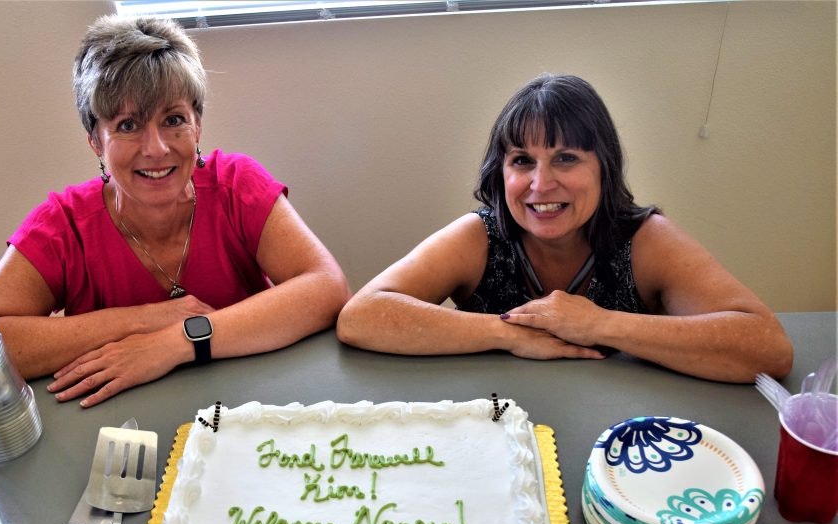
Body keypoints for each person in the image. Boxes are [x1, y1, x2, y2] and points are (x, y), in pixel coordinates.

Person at [0, 15, 349, 407]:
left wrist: (178, 340)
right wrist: (145, 319)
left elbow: (326, 288)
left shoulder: (237, 184)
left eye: (174, 120)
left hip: (254, 404)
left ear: (198, 128)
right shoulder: (64, 224)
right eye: (127, 125)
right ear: (95, 142)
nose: (156, 148)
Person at [336, 74, 792, 383]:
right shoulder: (478, 236)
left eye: (566, 158)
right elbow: (362, 316)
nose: (541, 183)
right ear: (501, 173)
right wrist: (509, 333)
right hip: (499, 424)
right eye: (522, 161)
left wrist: (599, 324)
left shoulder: (646, 239)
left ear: (603, 168)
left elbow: (766, 346)